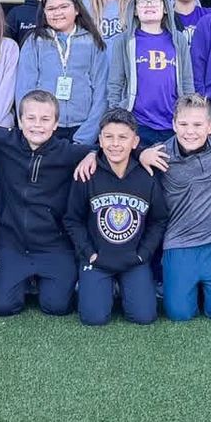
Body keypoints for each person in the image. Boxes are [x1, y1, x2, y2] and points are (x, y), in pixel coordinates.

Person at [0, 89, 87, 318]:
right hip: (13, 245)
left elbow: (111, 150)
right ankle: (13, 276)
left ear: (56, 124)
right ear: (20, 121)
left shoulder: (68, 152)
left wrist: (140, 153)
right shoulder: (5, 141)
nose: (37, 125)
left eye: (45, 119)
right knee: (3, 307)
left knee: (57, 307)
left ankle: (49, 279)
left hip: (54, 245)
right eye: (30, 118)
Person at [65, 108, 169, 326]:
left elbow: (159, 220)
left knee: (144, 316)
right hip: (98, 259)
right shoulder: (87, 173)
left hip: (133, 259)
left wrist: (143, 254)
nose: (115, 144)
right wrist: (89, 254)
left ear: (135, 142)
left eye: (123, 137)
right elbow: (72, 219)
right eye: (109, 137)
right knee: (93, 318)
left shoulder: (146, 175)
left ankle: (126, 285)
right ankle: (102, 286)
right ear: (100, 140)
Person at [148, 95, 211, 322]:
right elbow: (122, 153)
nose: (190, 131)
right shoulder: (160, 154)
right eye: (183, 124)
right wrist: (140, 153)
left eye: (198, 125)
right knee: (179, 314)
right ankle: (188, 287)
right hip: (179, 243)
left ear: (210, 126)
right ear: (173, 124)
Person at [13, 0, 110, 145]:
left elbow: (102, 92)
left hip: (83, 128)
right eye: (51, 9)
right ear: (44, 12)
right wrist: (33, 130)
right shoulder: (35, 41)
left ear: (77, 9)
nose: (57, 13)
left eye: (64, 7)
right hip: (43, 130)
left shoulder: (92, 42)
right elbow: (24, 89)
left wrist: (86, 136)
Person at [106, 0, 196, 146]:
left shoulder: (178, 40)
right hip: (138, 123)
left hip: (172, 123)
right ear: (134, 10)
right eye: (142, 1)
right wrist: (116, 115)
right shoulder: (124, 41)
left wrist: (187, 116)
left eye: (155, 0)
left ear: (165, 8)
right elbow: (115, 84)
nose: (149, 5)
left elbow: (187, 82)